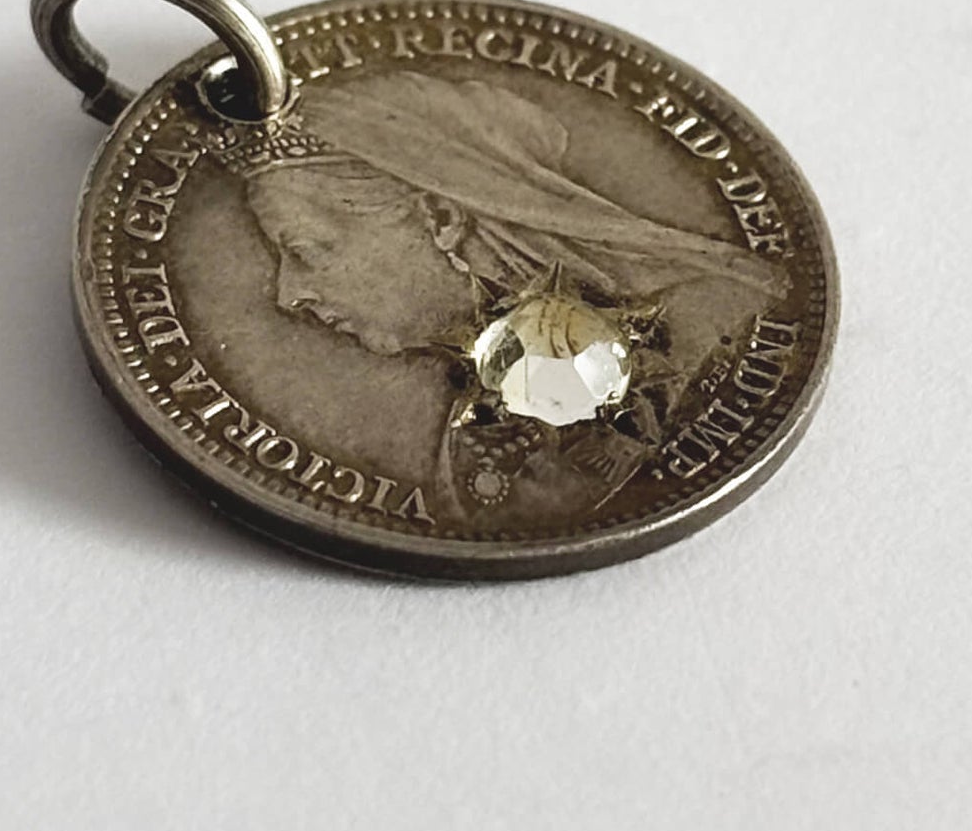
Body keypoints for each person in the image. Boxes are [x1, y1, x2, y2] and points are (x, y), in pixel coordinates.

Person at [218, 69, 788, 520]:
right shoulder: (493, 397)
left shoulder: (716, 325)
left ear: (441, 216)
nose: (289, 296)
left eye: (308, 250)